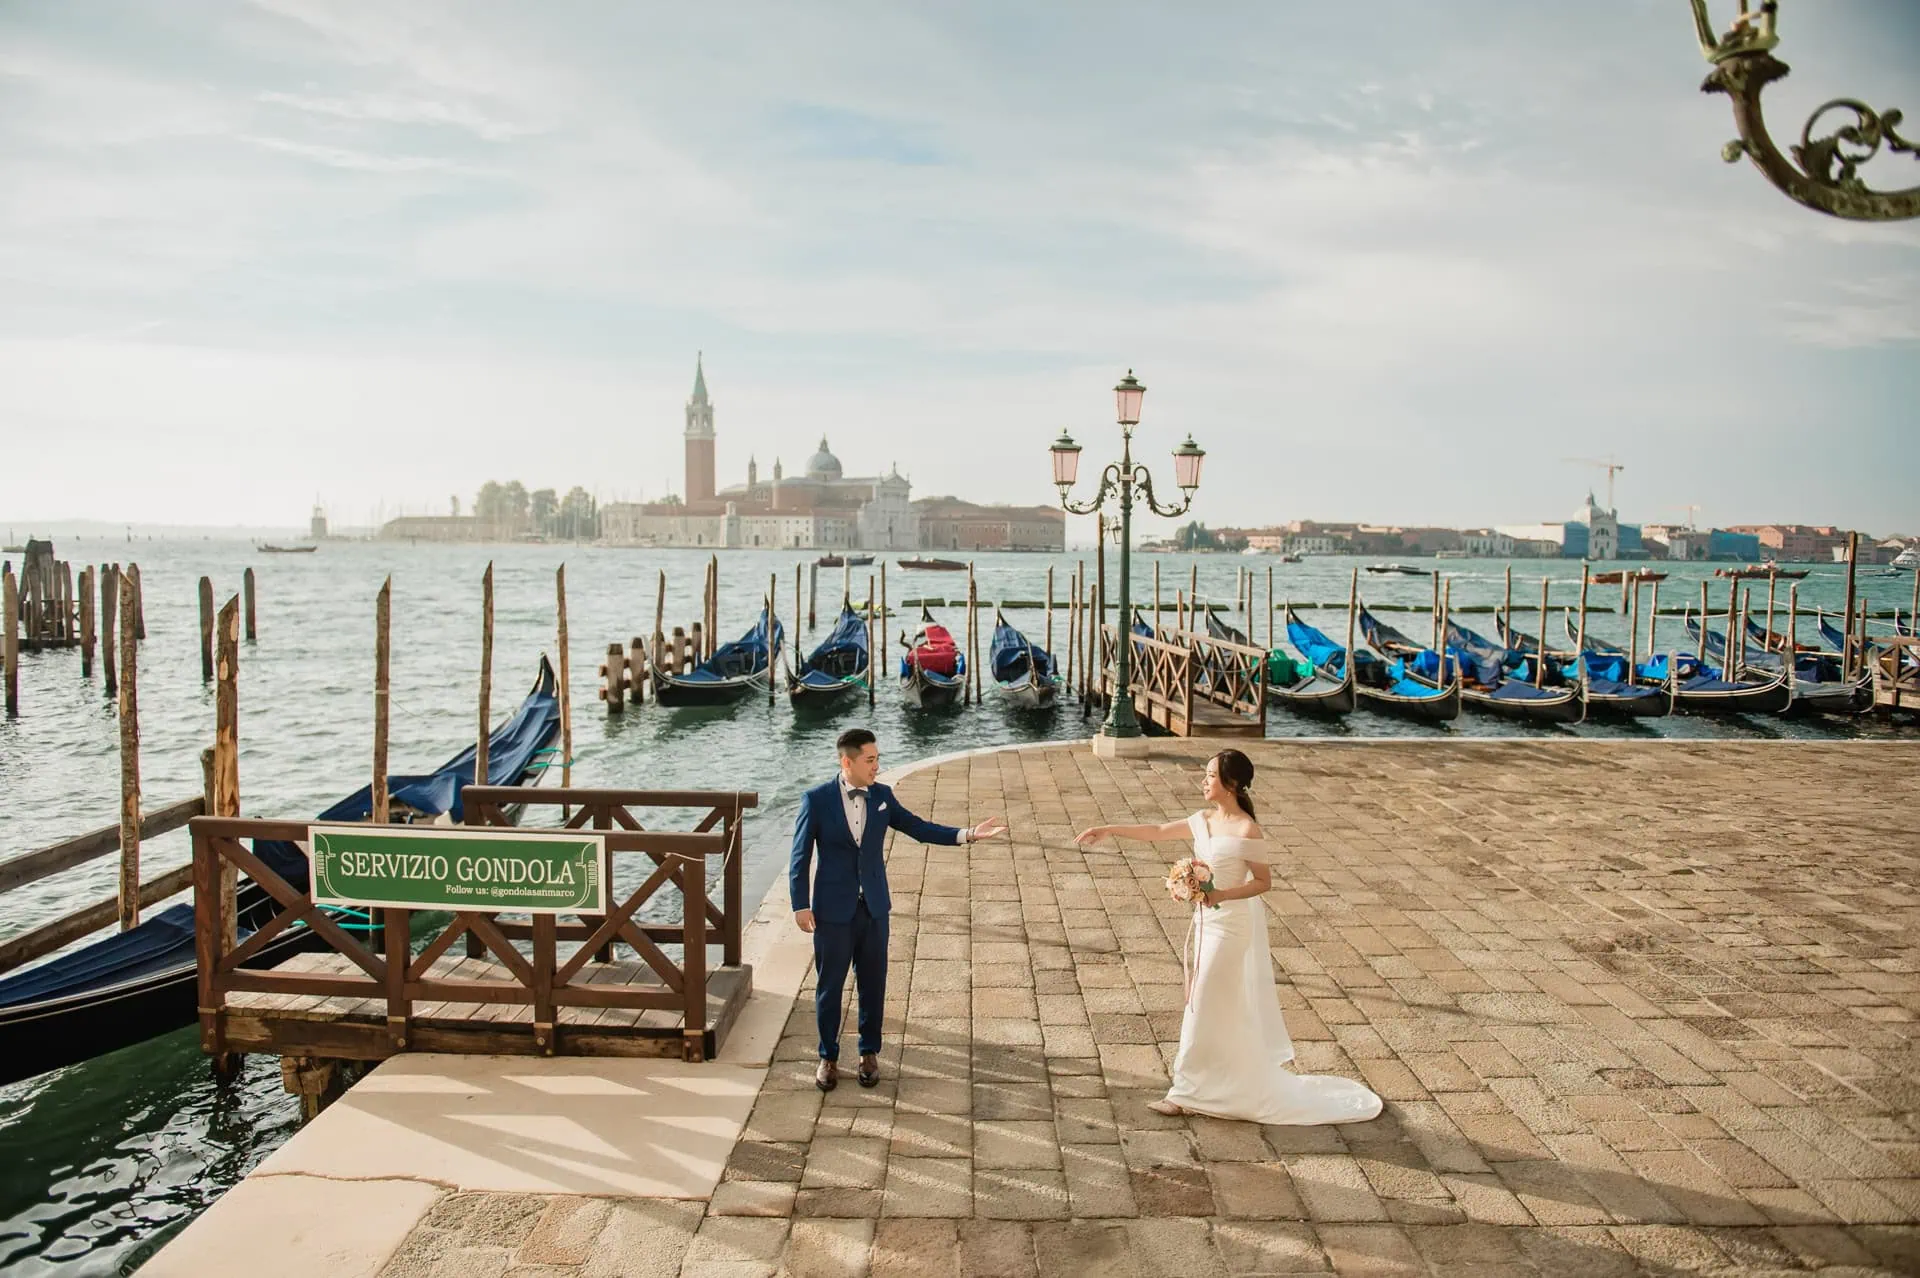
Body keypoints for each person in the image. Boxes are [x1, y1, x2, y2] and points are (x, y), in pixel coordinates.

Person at [1075, 748, 1382, 1125]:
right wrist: (1108, 829)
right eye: (1205, 775)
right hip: (1205, 923)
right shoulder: (1203, 819)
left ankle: (1185, 1091)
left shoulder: (1246, 829)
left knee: (1200, 998)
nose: (1203, 781)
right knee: (1214, 1003)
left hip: (1231, 926)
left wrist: (1220, 894)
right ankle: (1219, 1081)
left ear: (1231, 784)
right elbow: (1156, 832)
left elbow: (1263, 883)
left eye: (1210, 775)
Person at [792, 728, 1007, 1091]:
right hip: (832, 910)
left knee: (874, 984)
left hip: (874, 908)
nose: (877, 766)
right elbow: (800, 856)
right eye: (870, 760)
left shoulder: (882, 796)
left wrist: (967, 834)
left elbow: (918, 828)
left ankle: (868, 1053)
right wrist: (800, 904)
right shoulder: (816, 800)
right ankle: (828, 1057)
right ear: (848, 761)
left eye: (877, 759)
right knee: (830, 987)